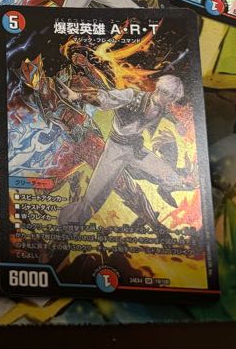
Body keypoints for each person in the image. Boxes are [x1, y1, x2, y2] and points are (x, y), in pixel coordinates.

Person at [56, 75, 191, 232]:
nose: (171, 101)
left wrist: (177, 123)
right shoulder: (132, 96)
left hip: (135, 148)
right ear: (161, 90)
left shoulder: (162, 106)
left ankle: (164, 188)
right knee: (95, 196)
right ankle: (69, 222)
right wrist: (78, 96)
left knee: (171, 176)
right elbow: (105, 97)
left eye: (174, 98)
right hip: (116, 149)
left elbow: (166, 112)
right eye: (170, 97)